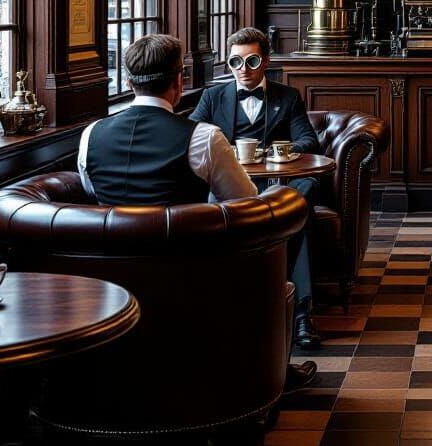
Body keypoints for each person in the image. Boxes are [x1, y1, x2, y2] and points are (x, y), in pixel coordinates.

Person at [78, 33, 316, 389]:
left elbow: (93, 194)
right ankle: (270, 372)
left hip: (107, 279)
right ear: (179, 81)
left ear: (127, 82)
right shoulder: (203, 137)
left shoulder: (90, 135)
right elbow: (245, 203)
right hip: (190, 274)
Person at [191, 26, 323, 350]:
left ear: (265, 61)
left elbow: (308, 140)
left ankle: (302, 316)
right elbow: (190, 136)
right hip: (230, 185)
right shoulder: (212, 97)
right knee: (294, 219)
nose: (243, 70)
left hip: (280, 182)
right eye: (235, 62)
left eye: (251, 61)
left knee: (300, 200)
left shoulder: (287, 96)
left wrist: (276, 152)